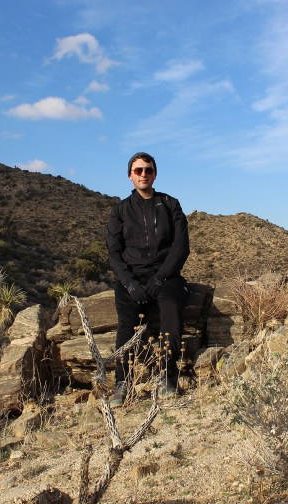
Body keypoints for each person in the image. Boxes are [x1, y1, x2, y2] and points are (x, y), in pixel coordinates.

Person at [106, 152, 190, 404]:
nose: (144, 174)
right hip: (131, 278)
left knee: (171, 312)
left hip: (166, 276)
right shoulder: (119, 211)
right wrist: (130, 283)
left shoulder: (170, 204)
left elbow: (181, 247)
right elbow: (113, 251)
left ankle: (167, 376)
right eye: (138, 170)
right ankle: (123, 381)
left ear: (155, 174)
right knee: (126, 323)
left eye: (148, 170)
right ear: (130, 175)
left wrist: (160, 278)